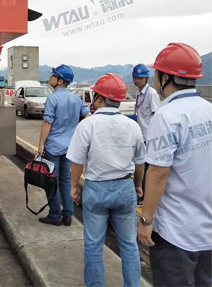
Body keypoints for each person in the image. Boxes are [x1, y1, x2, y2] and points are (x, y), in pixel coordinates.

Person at [137, 42, 211, 287]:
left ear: (166, 78)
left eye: (156, 73)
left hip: (176, 232)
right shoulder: (209, 110)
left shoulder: (167, 115)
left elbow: (158, 173)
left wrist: (146, 220)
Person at [68, 73, 146, 287]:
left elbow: (77, 162)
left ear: (100, 98)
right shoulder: (132, 125)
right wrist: (138, 186)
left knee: (93, 246)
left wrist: (74, 187)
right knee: (129, 245)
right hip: (125, 187)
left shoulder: (87, 125)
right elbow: (140, 163)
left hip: (96, 189)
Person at [36, 64, 89, 226]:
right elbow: (88, 116)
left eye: (53, 75)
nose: (50, 77)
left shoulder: (52, 98)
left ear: (60, 81)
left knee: (52, 181)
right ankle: (68, 215)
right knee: (66, 180)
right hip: (70, 148)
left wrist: (41, 144)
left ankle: (55, 215)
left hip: (53, 147)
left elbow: (47, 123)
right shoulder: (75, 99)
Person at [132, 62, 161, 203]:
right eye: (135, 77)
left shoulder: (151, 93)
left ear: (147, 79)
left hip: (149, 136)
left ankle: (143, 196)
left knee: (146, 167)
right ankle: (140, 193)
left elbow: (156, 115)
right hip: (141, 135)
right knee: (140, 165)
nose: (137, 80)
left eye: (140, 78)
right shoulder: (139, 92)